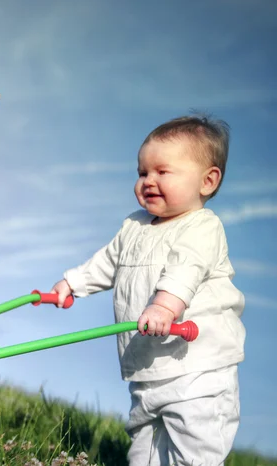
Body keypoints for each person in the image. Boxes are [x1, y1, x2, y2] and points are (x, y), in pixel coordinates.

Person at [50, 115, 245, 465]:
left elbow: (186, 269)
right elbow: (107, 263)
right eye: (142, 173)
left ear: (207, 181)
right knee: (144, 450)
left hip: (198, 369)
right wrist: (72, 284)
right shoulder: (134, 226)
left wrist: (165, 307)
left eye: (162, 172)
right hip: (147, 369)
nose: (148, 181)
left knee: (195, 449)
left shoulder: (202, 226)